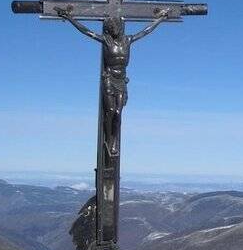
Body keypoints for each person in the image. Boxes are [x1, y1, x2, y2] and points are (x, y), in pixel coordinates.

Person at [57, 10, 167, 156]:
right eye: (112, 27)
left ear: (120, 28)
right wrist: (70, 18)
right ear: (109, 29)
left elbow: (145, 31)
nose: (115, 29)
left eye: (117, 26)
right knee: (109, 111)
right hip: (109, 78)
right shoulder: (106, 41)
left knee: (118, 112)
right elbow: (87, 32)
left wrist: (160, 20)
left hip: (121, 80)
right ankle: (108, 141)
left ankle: (113, 141)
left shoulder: (128, 40)